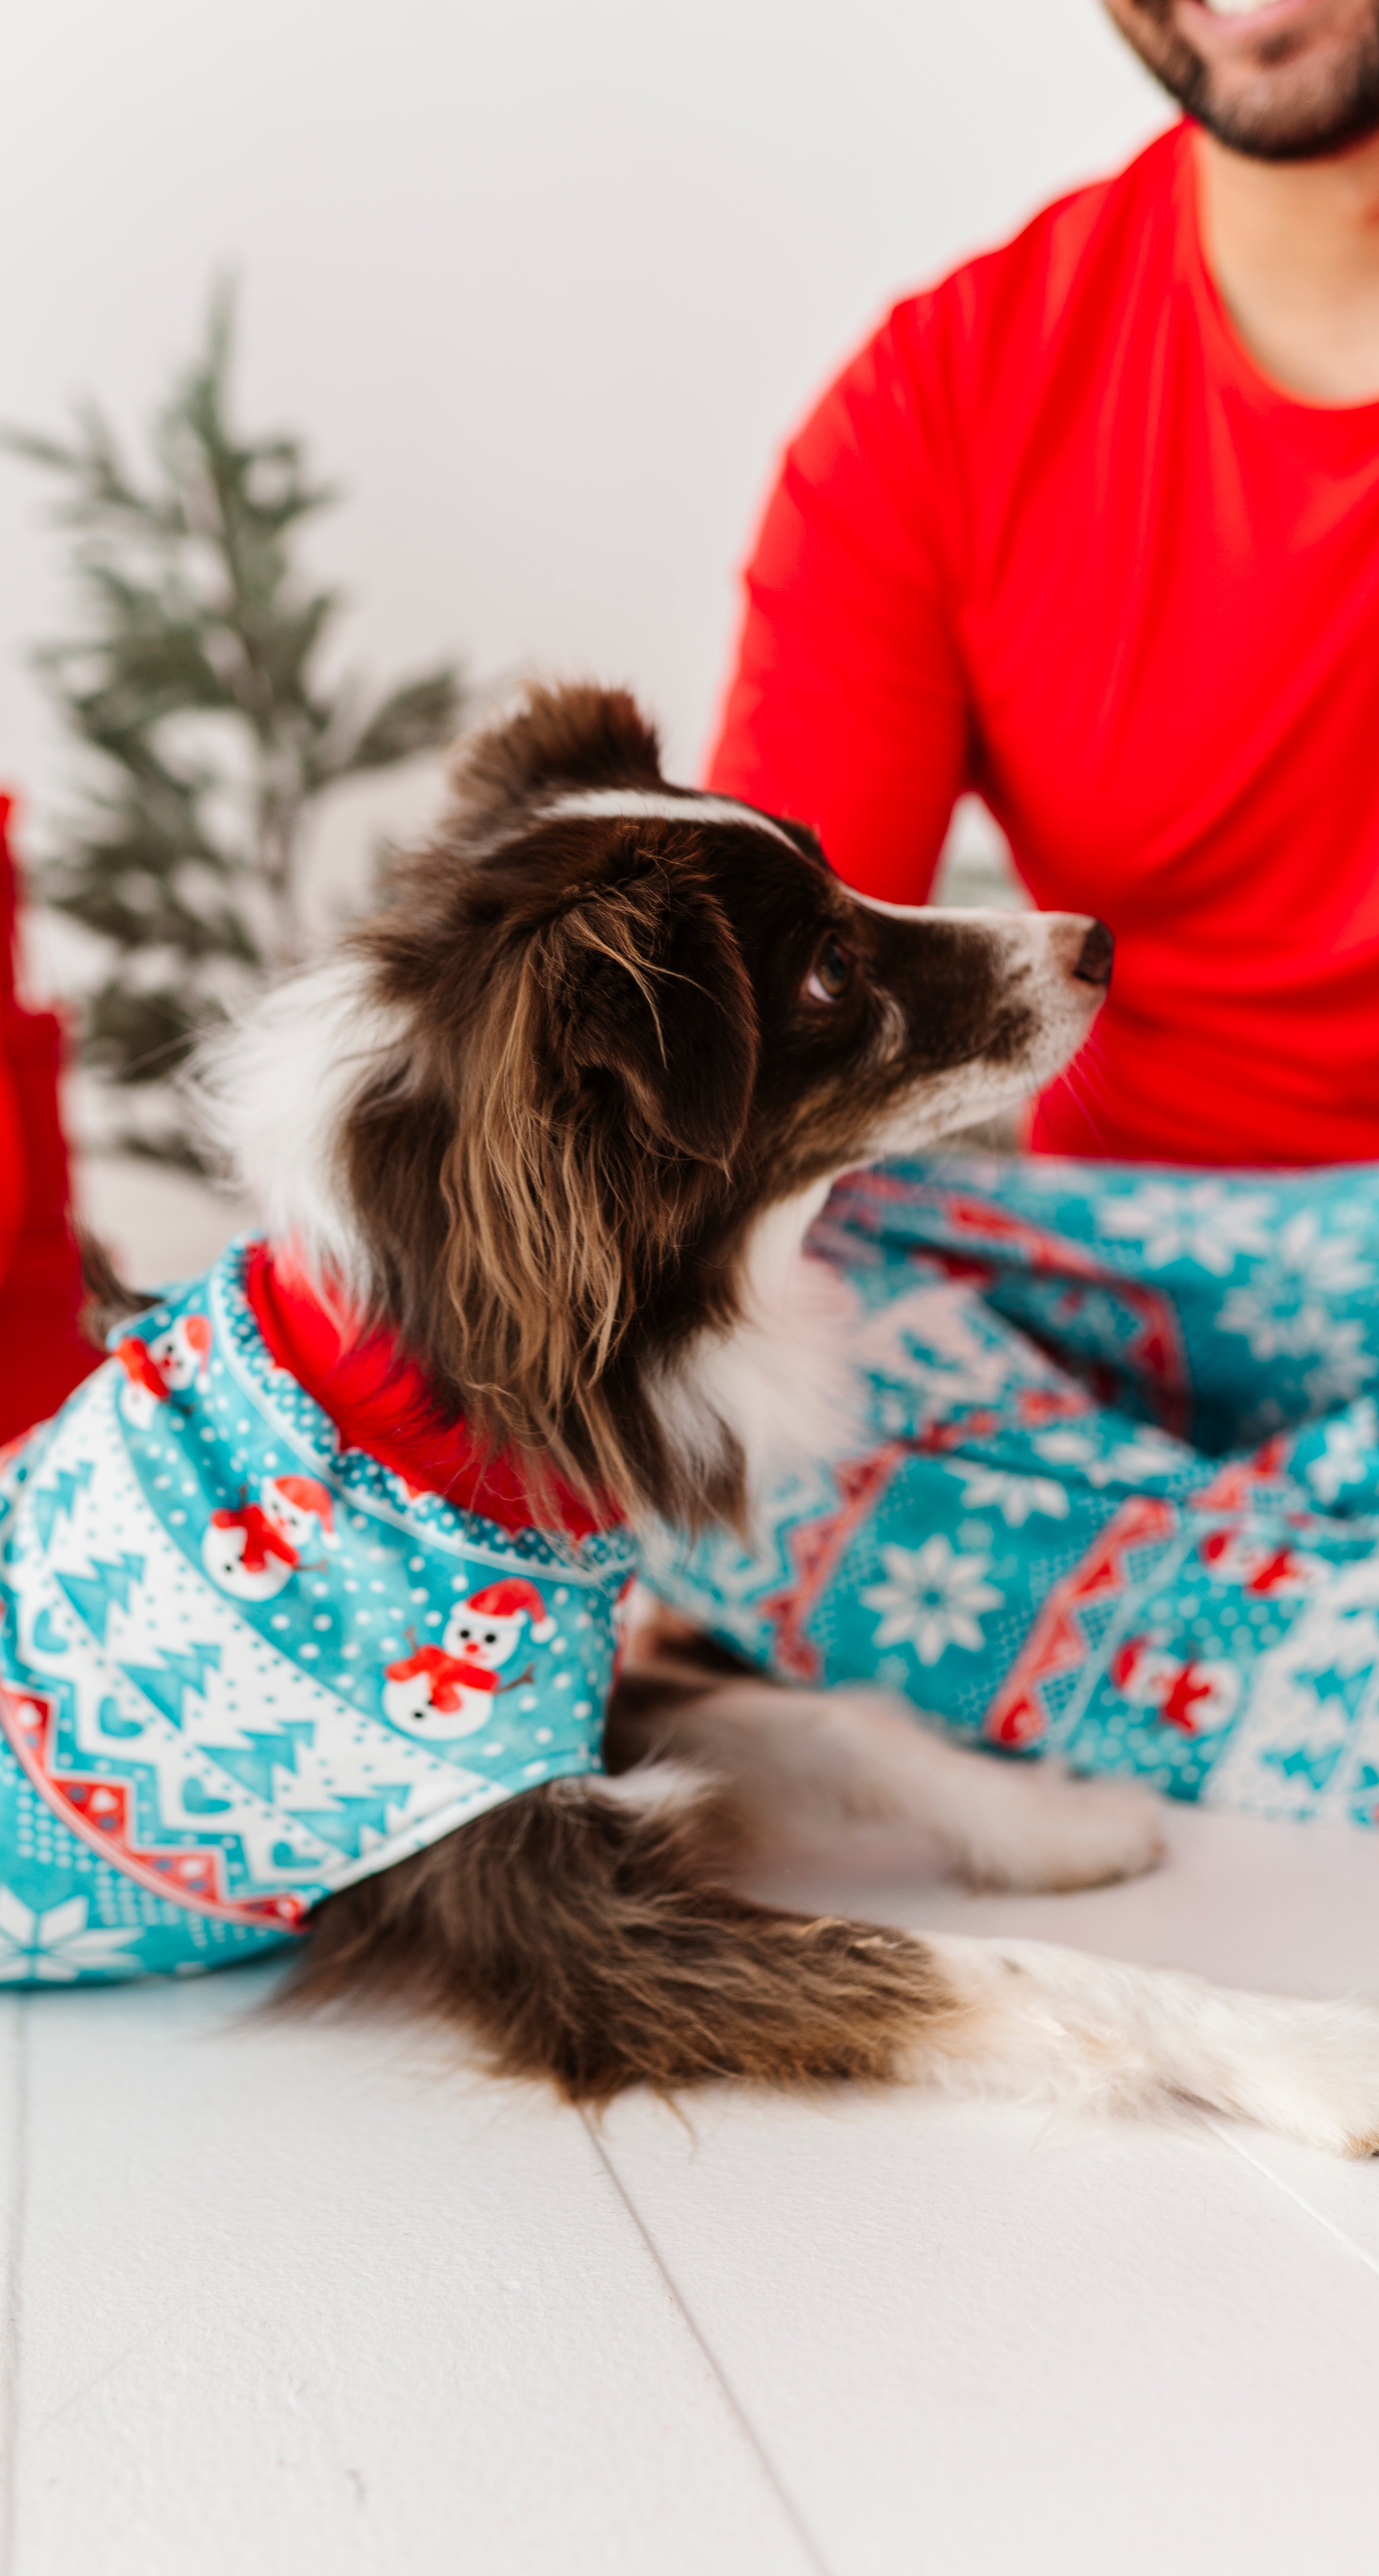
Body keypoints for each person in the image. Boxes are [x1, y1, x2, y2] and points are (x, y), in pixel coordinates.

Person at [650, 0, 1379, 1827]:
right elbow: (749, 1056)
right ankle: (1287, 1614)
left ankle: (1150, 1632)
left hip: (1108, 1458)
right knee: (692, 1361)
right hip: (1110, 1306)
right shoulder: (946, 397)